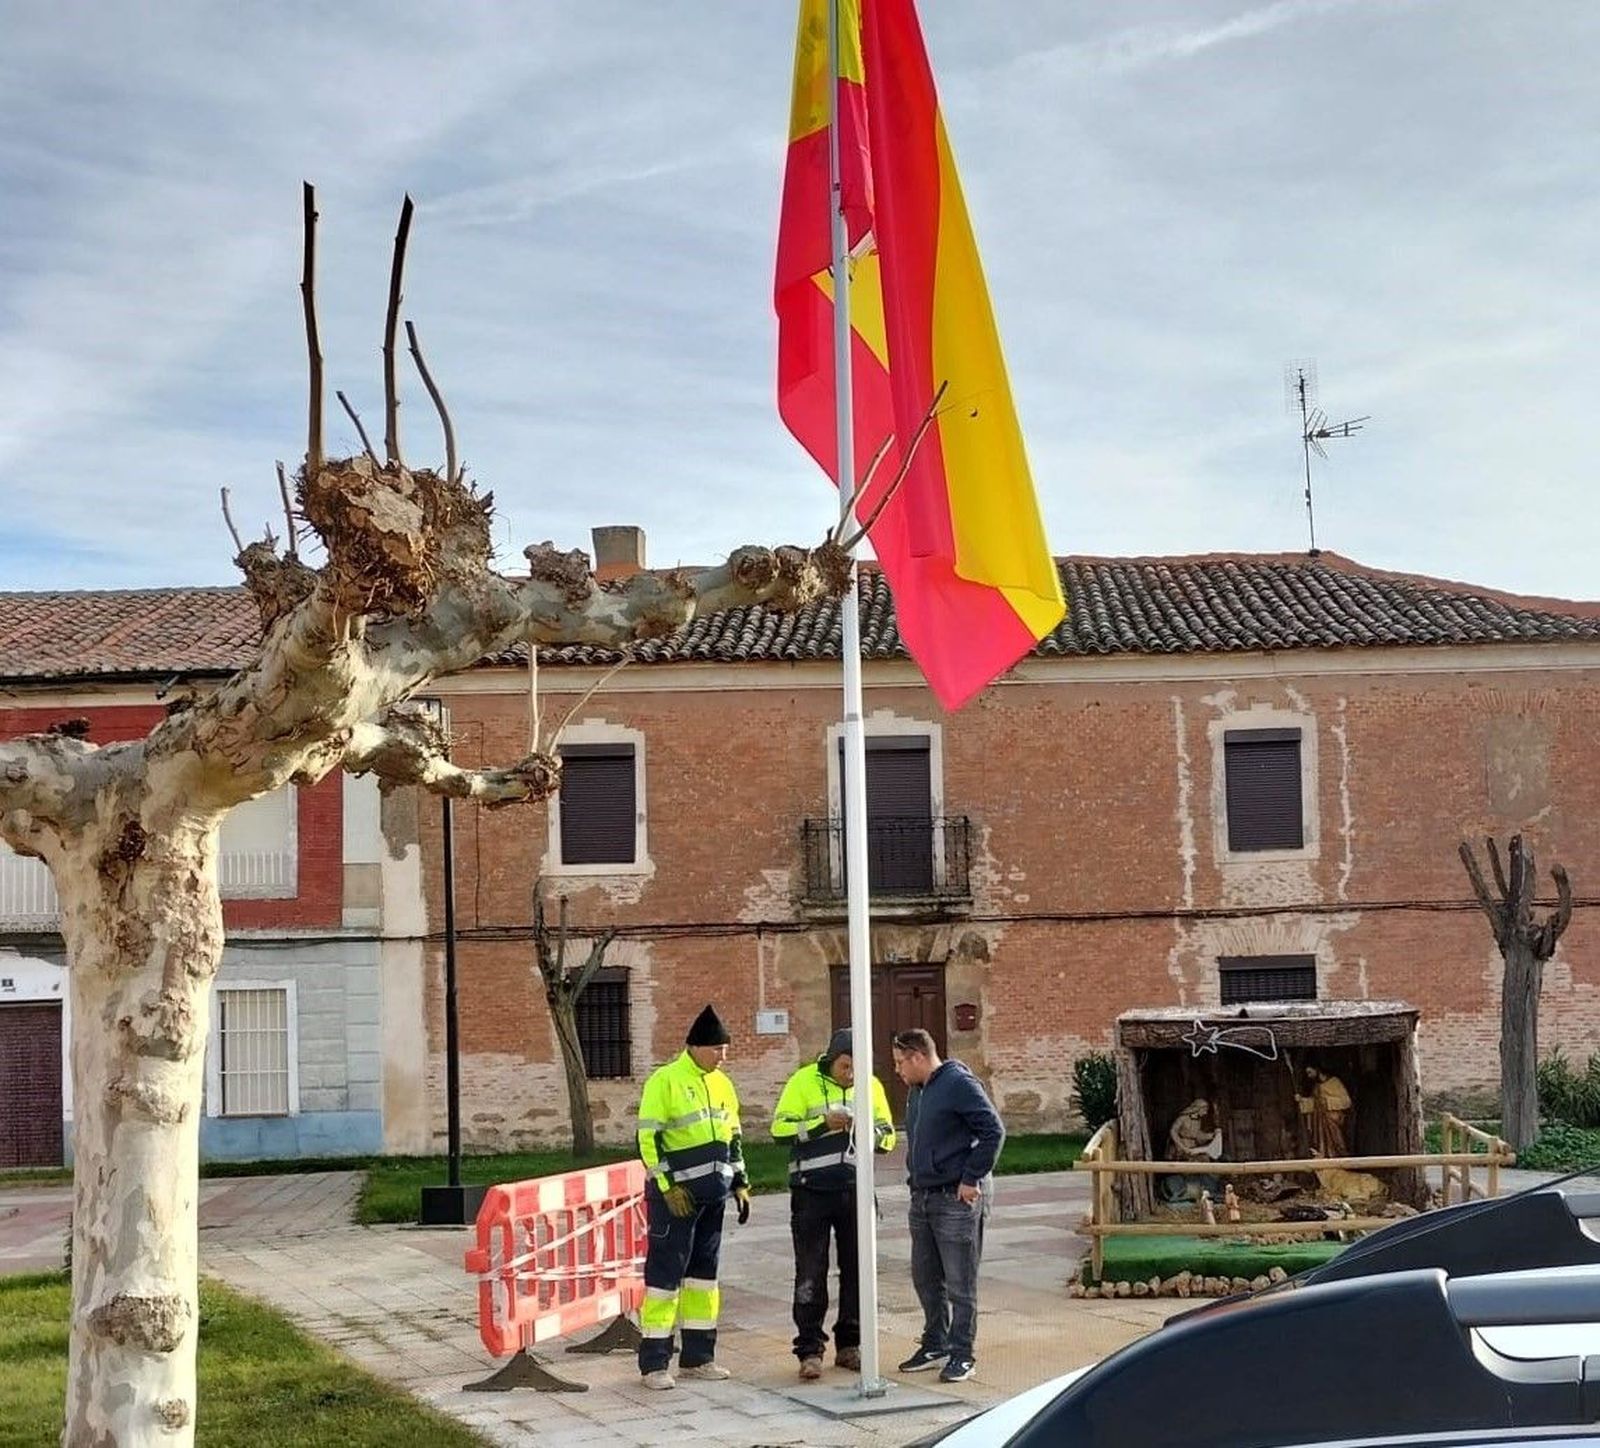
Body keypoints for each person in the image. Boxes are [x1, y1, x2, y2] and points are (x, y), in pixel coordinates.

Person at [634, 1003, 751, 1390]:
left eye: (725, 1048)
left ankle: (699, 1358)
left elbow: (733, 1138)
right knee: (664, 1281)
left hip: (712, 1199)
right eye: (717, 1049)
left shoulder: (723, 1084)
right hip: (675, 1201)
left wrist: (740, 1182)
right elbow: (648, 1139)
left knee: (703, 1281)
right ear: (696, 1047)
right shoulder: (665, 1081)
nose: (723, 1056)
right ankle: (654, 1364)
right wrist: (667, 1187)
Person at [771, 1028, 896, 1380]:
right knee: (811, 1270)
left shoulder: (871, 1086)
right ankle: (809, 1349)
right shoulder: (802, 1081)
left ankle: (850, 1345)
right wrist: (821, 1125)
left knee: (858, 1270)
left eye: (857, 1067)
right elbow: (779, 1131)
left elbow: (888, 1137)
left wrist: (864, 1129)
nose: (851, 1074)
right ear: (830, 1060)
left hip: (856, 1190)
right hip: (810, 1191)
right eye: (845, 1066)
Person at [890, 1028, 1004, 1385]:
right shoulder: (917, 1091)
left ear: (918, 1057)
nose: (897, 1070)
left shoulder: (958, 1083)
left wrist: (971, 1177)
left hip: (956, 1198)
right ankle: (935, 1342)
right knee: (925, 1277)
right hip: (923, 1196)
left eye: (900, 1062)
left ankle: (962, 1353)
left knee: (960, 1282)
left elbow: (993, 1131)